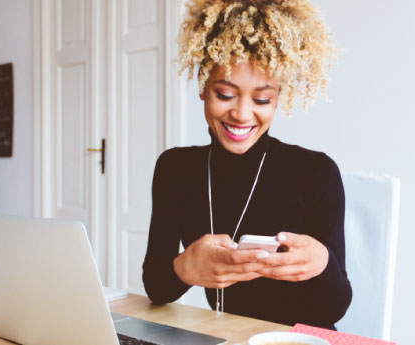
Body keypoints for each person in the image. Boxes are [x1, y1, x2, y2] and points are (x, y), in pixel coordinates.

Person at [142, 0, 352, 330]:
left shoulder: (317, 172)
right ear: (202, 86)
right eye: (225, 94)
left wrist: (323, 263)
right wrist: (184, 268)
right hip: (224, 335)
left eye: (261, 99)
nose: (241, 114)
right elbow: (156, 288)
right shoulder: (174, 169)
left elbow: (336, 308)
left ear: (279, 95)